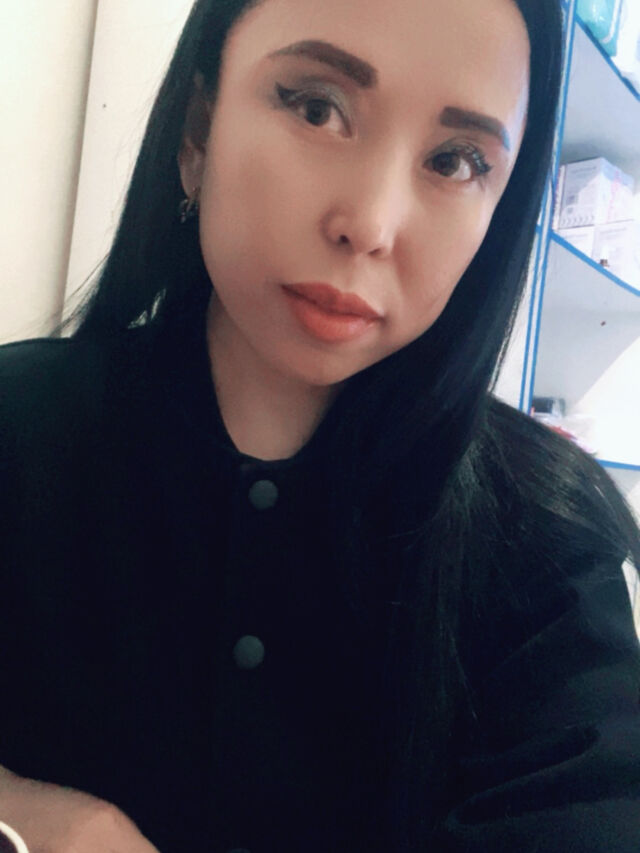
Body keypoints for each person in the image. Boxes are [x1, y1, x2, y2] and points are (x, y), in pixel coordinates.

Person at [1, 0, 639, 850]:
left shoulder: (552, 550)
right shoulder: (20, 428)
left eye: (455, 160)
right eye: (316, 107)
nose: (369, 224)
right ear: (198, 129)